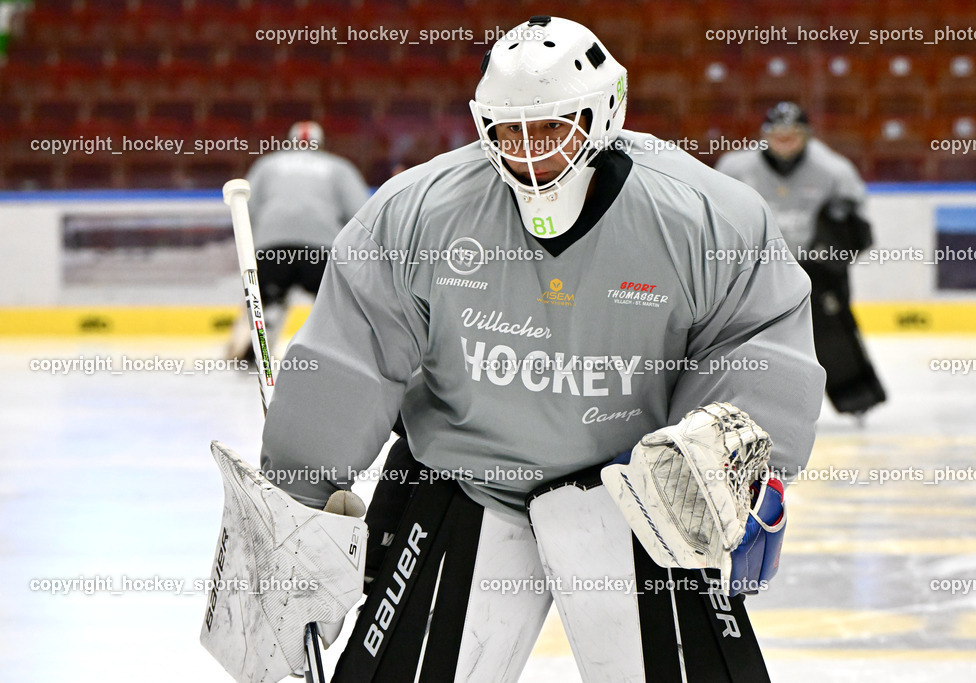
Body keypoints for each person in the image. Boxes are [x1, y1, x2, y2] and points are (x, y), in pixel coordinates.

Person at [260, 17, 824, 682]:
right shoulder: (418, 212)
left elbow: (760, 340)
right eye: (508, 130)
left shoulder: (707, 217)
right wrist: (295, 512)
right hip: (466, 485)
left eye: (552, 126)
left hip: (640, 500)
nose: (527, 150)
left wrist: (731, 455)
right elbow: (348, 359)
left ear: (603, 112)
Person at [717, 102, 886, 418]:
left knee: (829, 329)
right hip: (755, 267)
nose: (784, 141)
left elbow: (857, 226)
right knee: (747, 333)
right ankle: (744, 401)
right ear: (764, 134)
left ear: (806, 135)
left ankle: (856, 397)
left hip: (816, 267)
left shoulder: (834, 171)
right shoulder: (735, 168)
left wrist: (833, 248)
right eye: (776, 134)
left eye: (792, 135)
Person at [225, 121, 369, 362]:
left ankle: (259, 343)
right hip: (321, 248)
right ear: (321, 143)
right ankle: (340, 349)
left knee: (268, 300)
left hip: (272, 246)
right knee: (333, 304)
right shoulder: (339, 167)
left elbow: (245, 209)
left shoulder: (268, 164)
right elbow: (361, 213)